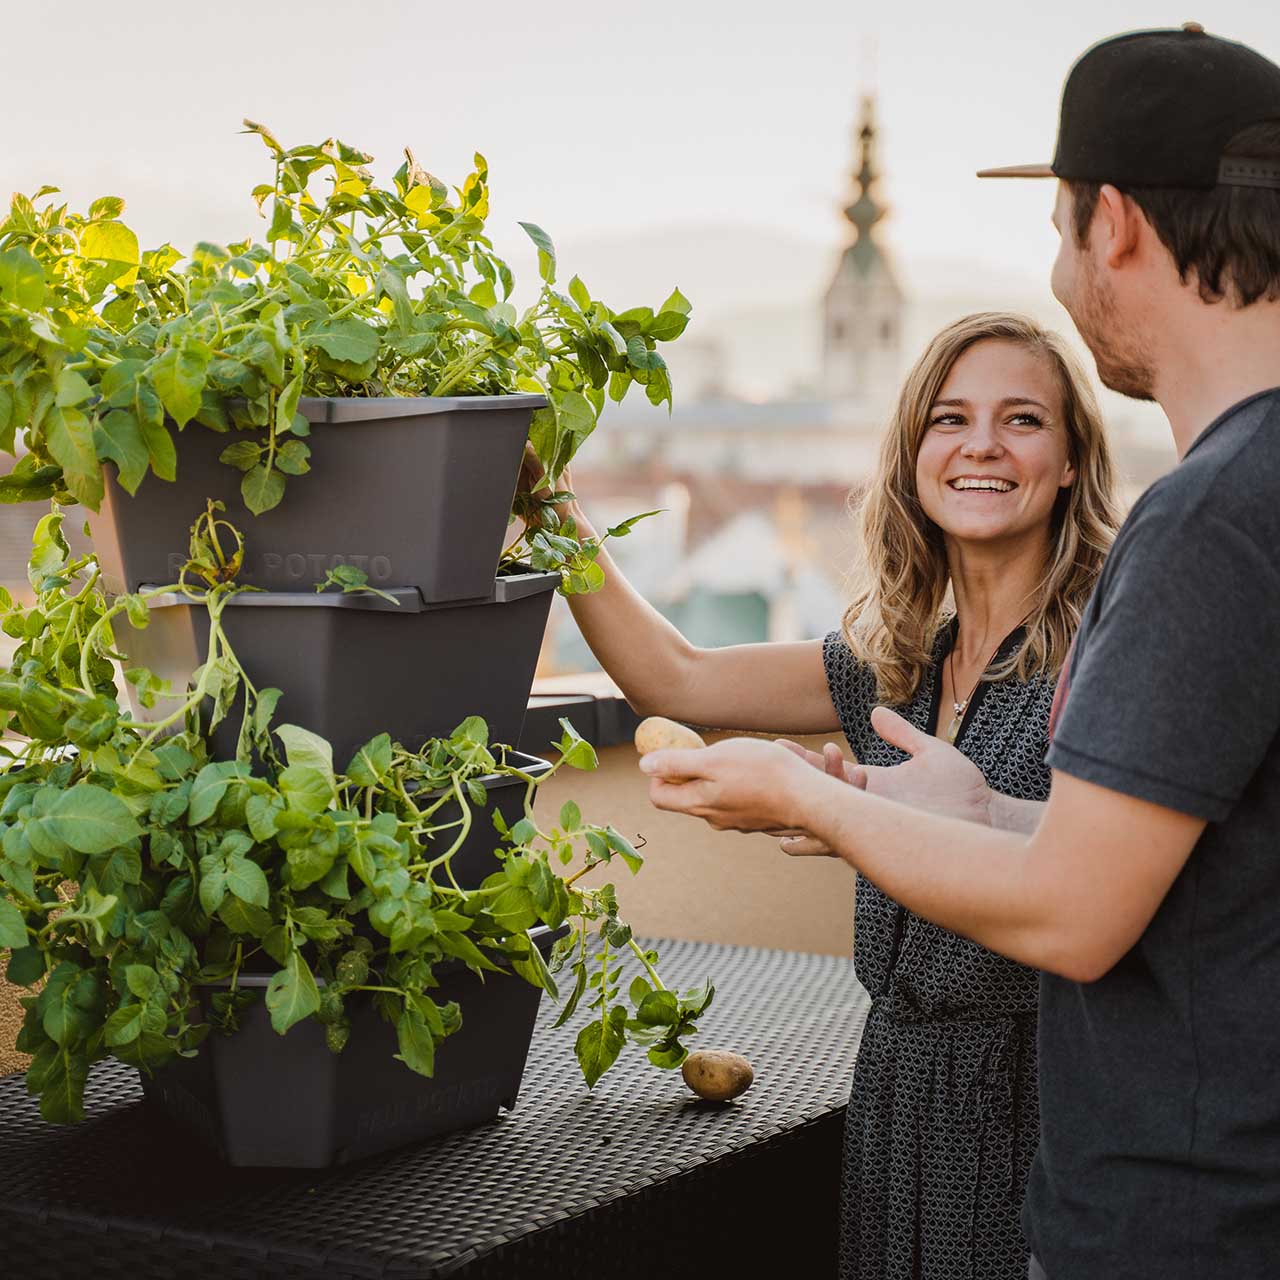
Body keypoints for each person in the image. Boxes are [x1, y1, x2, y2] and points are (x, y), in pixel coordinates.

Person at [637, 26, 1280, 1280]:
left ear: (1115, 229)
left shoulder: (1205, 520)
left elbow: (1074, 914)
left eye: (1057, 227)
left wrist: (804, 797)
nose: (1055, 265)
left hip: (1175, 1229)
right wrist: (977, 806)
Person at [525, 311, 1119, 1279]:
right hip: (894, 1092)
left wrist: (833, 809)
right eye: (948, 418)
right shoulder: (897, 661)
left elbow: (1108, 876)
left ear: (1066, 462)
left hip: (1043, 1101)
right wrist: (547, 507)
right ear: (912, 456)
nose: (979, 443)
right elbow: (675, 679)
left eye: (1021, 420)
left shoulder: (1103, 651)